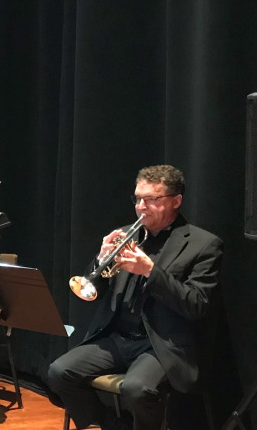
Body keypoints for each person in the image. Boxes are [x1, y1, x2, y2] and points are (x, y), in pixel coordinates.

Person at [47, 165, 223, 430]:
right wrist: (100, 259)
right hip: (117, 338)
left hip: (161, 344)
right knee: (59, 372)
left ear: (176, 201)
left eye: (152, 199)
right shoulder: (125, 234)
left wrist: (151, 272)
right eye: (138, 199)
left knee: (137, 389)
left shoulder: (203, 244)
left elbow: (196, 304)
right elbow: (93, 293)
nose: (142, 206)